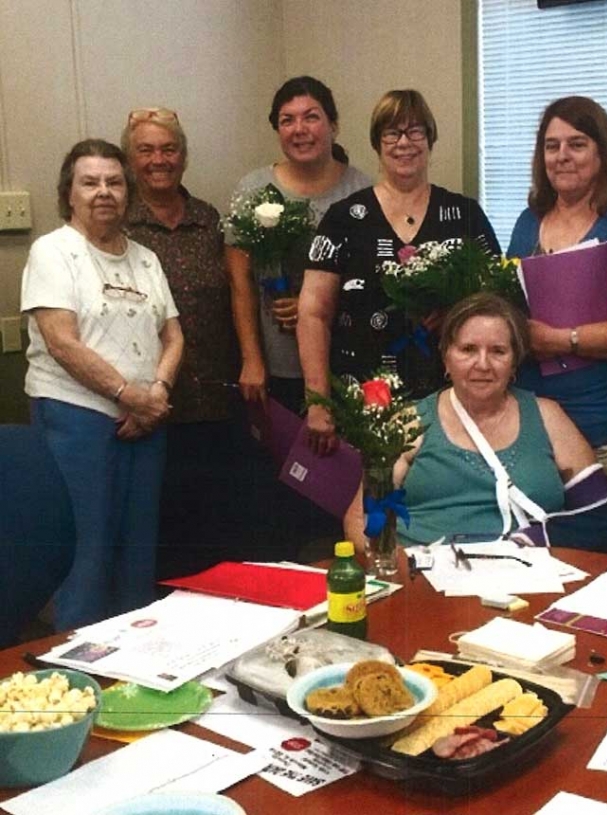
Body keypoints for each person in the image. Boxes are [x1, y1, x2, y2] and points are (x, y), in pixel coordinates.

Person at [21, 138, 183, 629]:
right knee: (85, 558)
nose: (103, 192)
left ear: (128, 192)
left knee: (138, 556)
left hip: (145, 422)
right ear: (69, 193)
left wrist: (156, 394)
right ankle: (79, 676)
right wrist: (130, 397)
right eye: (89, 182)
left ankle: (133, 676)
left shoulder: (146, 259)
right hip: (76, 420)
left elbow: (173, 335)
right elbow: (61, 342)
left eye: (114, 181)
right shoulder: (53, 252)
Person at [300, 89, 500, 456]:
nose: (404, 143)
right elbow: (313, 313)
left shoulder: (465, 214)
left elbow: (497, 305)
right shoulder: (344, 218)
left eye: (416, 131)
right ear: (377, 143)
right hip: (362, 401)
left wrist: (456, 315)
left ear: (430, 139)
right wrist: (317, 402)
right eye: (392, 133)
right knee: (369, 505)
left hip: (452, 401)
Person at [507, 96, 607, 553]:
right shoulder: (527, 223)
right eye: (551, 146)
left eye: (577, 144)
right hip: (540, 430)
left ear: (602, 153)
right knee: (544, 561)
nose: (562, 156)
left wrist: (561, 340)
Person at [388, 293, 607, 550]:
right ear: (446, 356)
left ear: (515, 362)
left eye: (498, 351)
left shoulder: (547, 416)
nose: (483, 364)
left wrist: (533, 540)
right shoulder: (411, 421)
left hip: (527, 574)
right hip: (425, 576)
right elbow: (362, 520)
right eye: (468, 349)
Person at [121, 107, 242, 578]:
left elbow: (236, 290)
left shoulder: (207, 218)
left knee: (213, 525)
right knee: (161, 533)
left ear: (184, 157)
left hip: (213, 396)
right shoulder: (120, 225)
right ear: (131, 160)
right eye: (146, 150)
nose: (159, 159)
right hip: (149, 403)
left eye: (169, 149)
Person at [226, 76, 370, 412]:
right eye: (287, 120)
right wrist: (251, 359)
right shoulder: (253, 189)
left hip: (345, 361)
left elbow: (371, 280)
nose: (299, 129)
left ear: (333, 125)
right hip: (276, 365)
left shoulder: (361, 191)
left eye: (311, 117)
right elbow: (239, 281)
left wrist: (312, 306)